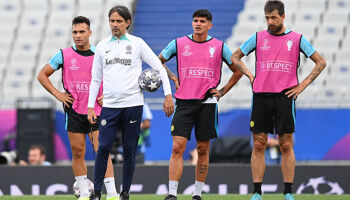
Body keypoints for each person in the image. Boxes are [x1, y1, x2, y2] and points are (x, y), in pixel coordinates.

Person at [230, 1, 327, 200]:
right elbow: (235, 57)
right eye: (267, 17)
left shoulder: (297, 38)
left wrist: (303, 85)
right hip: (261, 96)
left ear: (283, 16)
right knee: (259, 144)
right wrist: (249, 75)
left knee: (286, 144)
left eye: (273, 17)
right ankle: (257, 192)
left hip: (285, 97)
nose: (270, 21)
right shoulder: (258, 37)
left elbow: (321, 62)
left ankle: (288, 192)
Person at [87, 6, 174, 200]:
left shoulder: (137, 43)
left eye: (119, 21)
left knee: (129, 151)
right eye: (112, 21)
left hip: (133, 105)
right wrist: (90, 106)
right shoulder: (101, 46)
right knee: (102, 148)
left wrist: (168, 95)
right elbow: (95, 79)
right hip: (109, 106)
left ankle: (125, 193)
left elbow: (159, 67)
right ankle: (97, 193)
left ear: (128, 22)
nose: (115, 24)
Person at [158, 9, 243, 200]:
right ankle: (172, 193)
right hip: (184, 103)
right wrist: (172, 77)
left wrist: (222, 91)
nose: (197, 24)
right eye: (195, 20)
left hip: (207, 103)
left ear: (209, 25)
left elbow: (237, 70)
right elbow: (158, 61)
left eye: (202, 21)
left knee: (203, 148)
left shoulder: (219, 46)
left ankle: (197, 194)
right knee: (177, 147)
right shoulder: (179, 43)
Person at [37, 16, 118, 200]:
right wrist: (58, 94)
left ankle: (112, 193)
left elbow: (115, 77)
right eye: (75, 32)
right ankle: (83, 192)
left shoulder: (101, 54)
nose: (78, 35)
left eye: (82, 32)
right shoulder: (63, 55)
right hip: (74, 110)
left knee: (102, 150)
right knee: (78, 152)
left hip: (97, 110)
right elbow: (42, 75)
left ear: (90, 33)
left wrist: (109, 94)